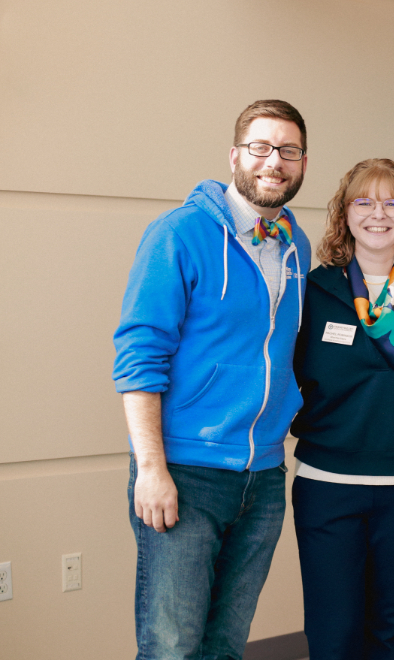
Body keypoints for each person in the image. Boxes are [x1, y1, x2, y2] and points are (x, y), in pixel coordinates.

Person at [112, 99, 311, 659]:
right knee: (171, 646)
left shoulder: (295, 243)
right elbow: (139, 354)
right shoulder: (180, 233)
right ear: (235, 156)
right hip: (186, 474)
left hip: (264, 476)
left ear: (301, 163)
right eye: (261, 148)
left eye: (289, 151)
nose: (274, 161)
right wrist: (150, 469)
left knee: (225, 646)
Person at [290, 159, 394, 660]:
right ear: (344, 213)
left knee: (390, 633)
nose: (377, 213)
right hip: (328, 486)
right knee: (333, 635)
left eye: (391, 202)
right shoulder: (314, 290)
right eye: (364, 201)